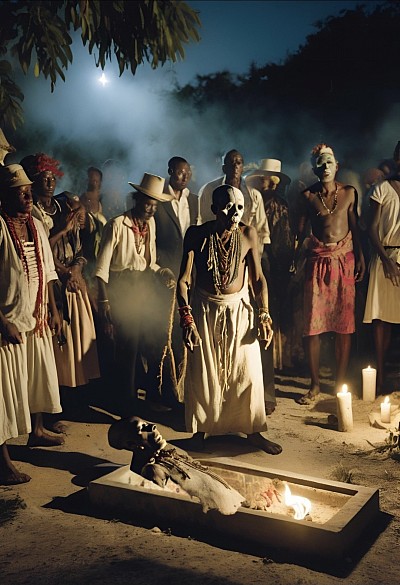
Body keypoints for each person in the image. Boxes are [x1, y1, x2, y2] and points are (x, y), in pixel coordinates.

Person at [176, 184, 282, 455]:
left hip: (240, 311)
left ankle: (254, 431)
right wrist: (187, 319)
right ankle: (200, 432)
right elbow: (184, 280)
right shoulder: (197, 234)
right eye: (227, 207)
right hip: (204, 310)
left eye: (239, 208)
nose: (234, 214)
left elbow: (258, 279)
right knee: (203, 372)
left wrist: (264, 314)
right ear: (213, 210)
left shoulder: (248, 234)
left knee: (247, 372)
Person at [0, 164, 63, 484]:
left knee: (36, 381)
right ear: (5, 196)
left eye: (28, 190)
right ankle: (2, 462)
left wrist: (52, 310)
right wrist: (3, 323)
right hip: (8, 323)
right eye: (19, 191)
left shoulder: (36, 225)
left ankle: (37, 430)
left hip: (35, 318)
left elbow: (48, 273)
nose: (27, 195)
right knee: (4, 396)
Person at [95, 173, 176, 413]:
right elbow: (102, 268)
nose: (151, 209)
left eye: (154, 205)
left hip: (142, 288)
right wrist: (104, 300)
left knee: (147, 342)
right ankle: (125, 403)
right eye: (147, 203)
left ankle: (149, 396)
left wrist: (164, 272)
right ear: (136, 200)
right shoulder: (117, 225)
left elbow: (149, 262)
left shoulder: (150, 225)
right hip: (121, 288)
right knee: (128, 347)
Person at [21, 154, 100, 390]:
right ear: (33, 182)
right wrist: (63, 270)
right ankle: (55, 398)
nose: (50, 182)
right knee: (57, 341)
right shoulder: (30, 211)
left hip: (71, 280)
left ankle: (74, 395)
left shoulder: (64, 204)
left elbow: (80, 247)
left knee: (76, 341)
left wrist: (75, 269)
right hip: (52, 280)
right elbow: (42, 248)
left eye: (52, 177)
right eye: (44, 178)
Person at [295, 144, 365, 404]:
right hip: (317, 261)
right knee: (313, 328)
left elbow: (355, 227)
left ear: (338, 167)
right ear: (315, 168)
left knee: (344, 327)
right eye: (321, 164)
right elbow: (300, 231)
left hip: (344, 262)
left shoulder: (348, 193)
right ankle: (314, 385)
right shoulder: (307, 196)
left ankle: (339, 382)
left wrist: (360, 257)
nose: (325, 167)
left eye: (330, 163)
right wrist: (295, 259)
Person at [245, 159, 294, 371]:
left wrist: (278, 264)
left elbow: (282, 239)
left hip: (272, 263)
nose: (267, 184)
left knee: (271, 307)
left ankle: (273, 362)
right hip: (259, 259)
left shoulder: (279, 205)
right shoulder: (252, 200)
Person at [363, 141, 400, 394]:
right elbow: (372, 229)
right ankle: (379, 377)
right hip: (384, 256)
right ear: (397, 158)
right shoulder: (382, 189)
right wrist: (386, 261)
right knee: (381, 319)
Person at [197, 149, 270, 257]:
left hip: (244, 250)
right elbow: (201, 219)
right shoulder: (209, 190)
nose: (235, 166)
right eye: (231, 163)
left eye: (238, 163)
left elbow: (261, 230)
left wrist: (255, 254)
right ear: (224, 168)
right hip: (215, 248)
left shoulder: (254, 196)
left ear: (242, 167)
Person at [155, 156, 198, 278]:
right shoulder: (158, 198)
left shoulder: (194, 200)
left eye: (188, 173)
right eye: (181, 173)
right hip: (164, 265)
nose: (185, 177)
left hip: (189, 264)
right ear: (170, 172)